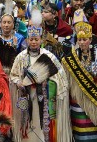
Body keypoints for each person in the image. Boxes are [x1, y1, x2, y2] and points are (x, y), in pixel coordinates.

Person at [10, 9, 71, 141]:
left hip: (44, 97)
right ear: (27, 40)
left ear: (41, 40)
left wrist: (46, 81)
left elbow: (60, 77)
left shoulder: (48, 56)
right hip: (26, 97)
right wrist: (19, 82)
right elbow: (13, 75)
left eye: (36, 39)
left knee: (42, 126)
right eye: (31, 39)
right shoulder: (21, 57)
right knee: (29, 125)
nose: (33, 42)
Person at [62, 22, 97, 141]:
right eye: (79, 39)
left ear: (90, 39)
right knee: (81, 126)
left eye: (85, 39)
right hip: (78, 96)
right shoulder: (71, 57)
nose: (82, 42)